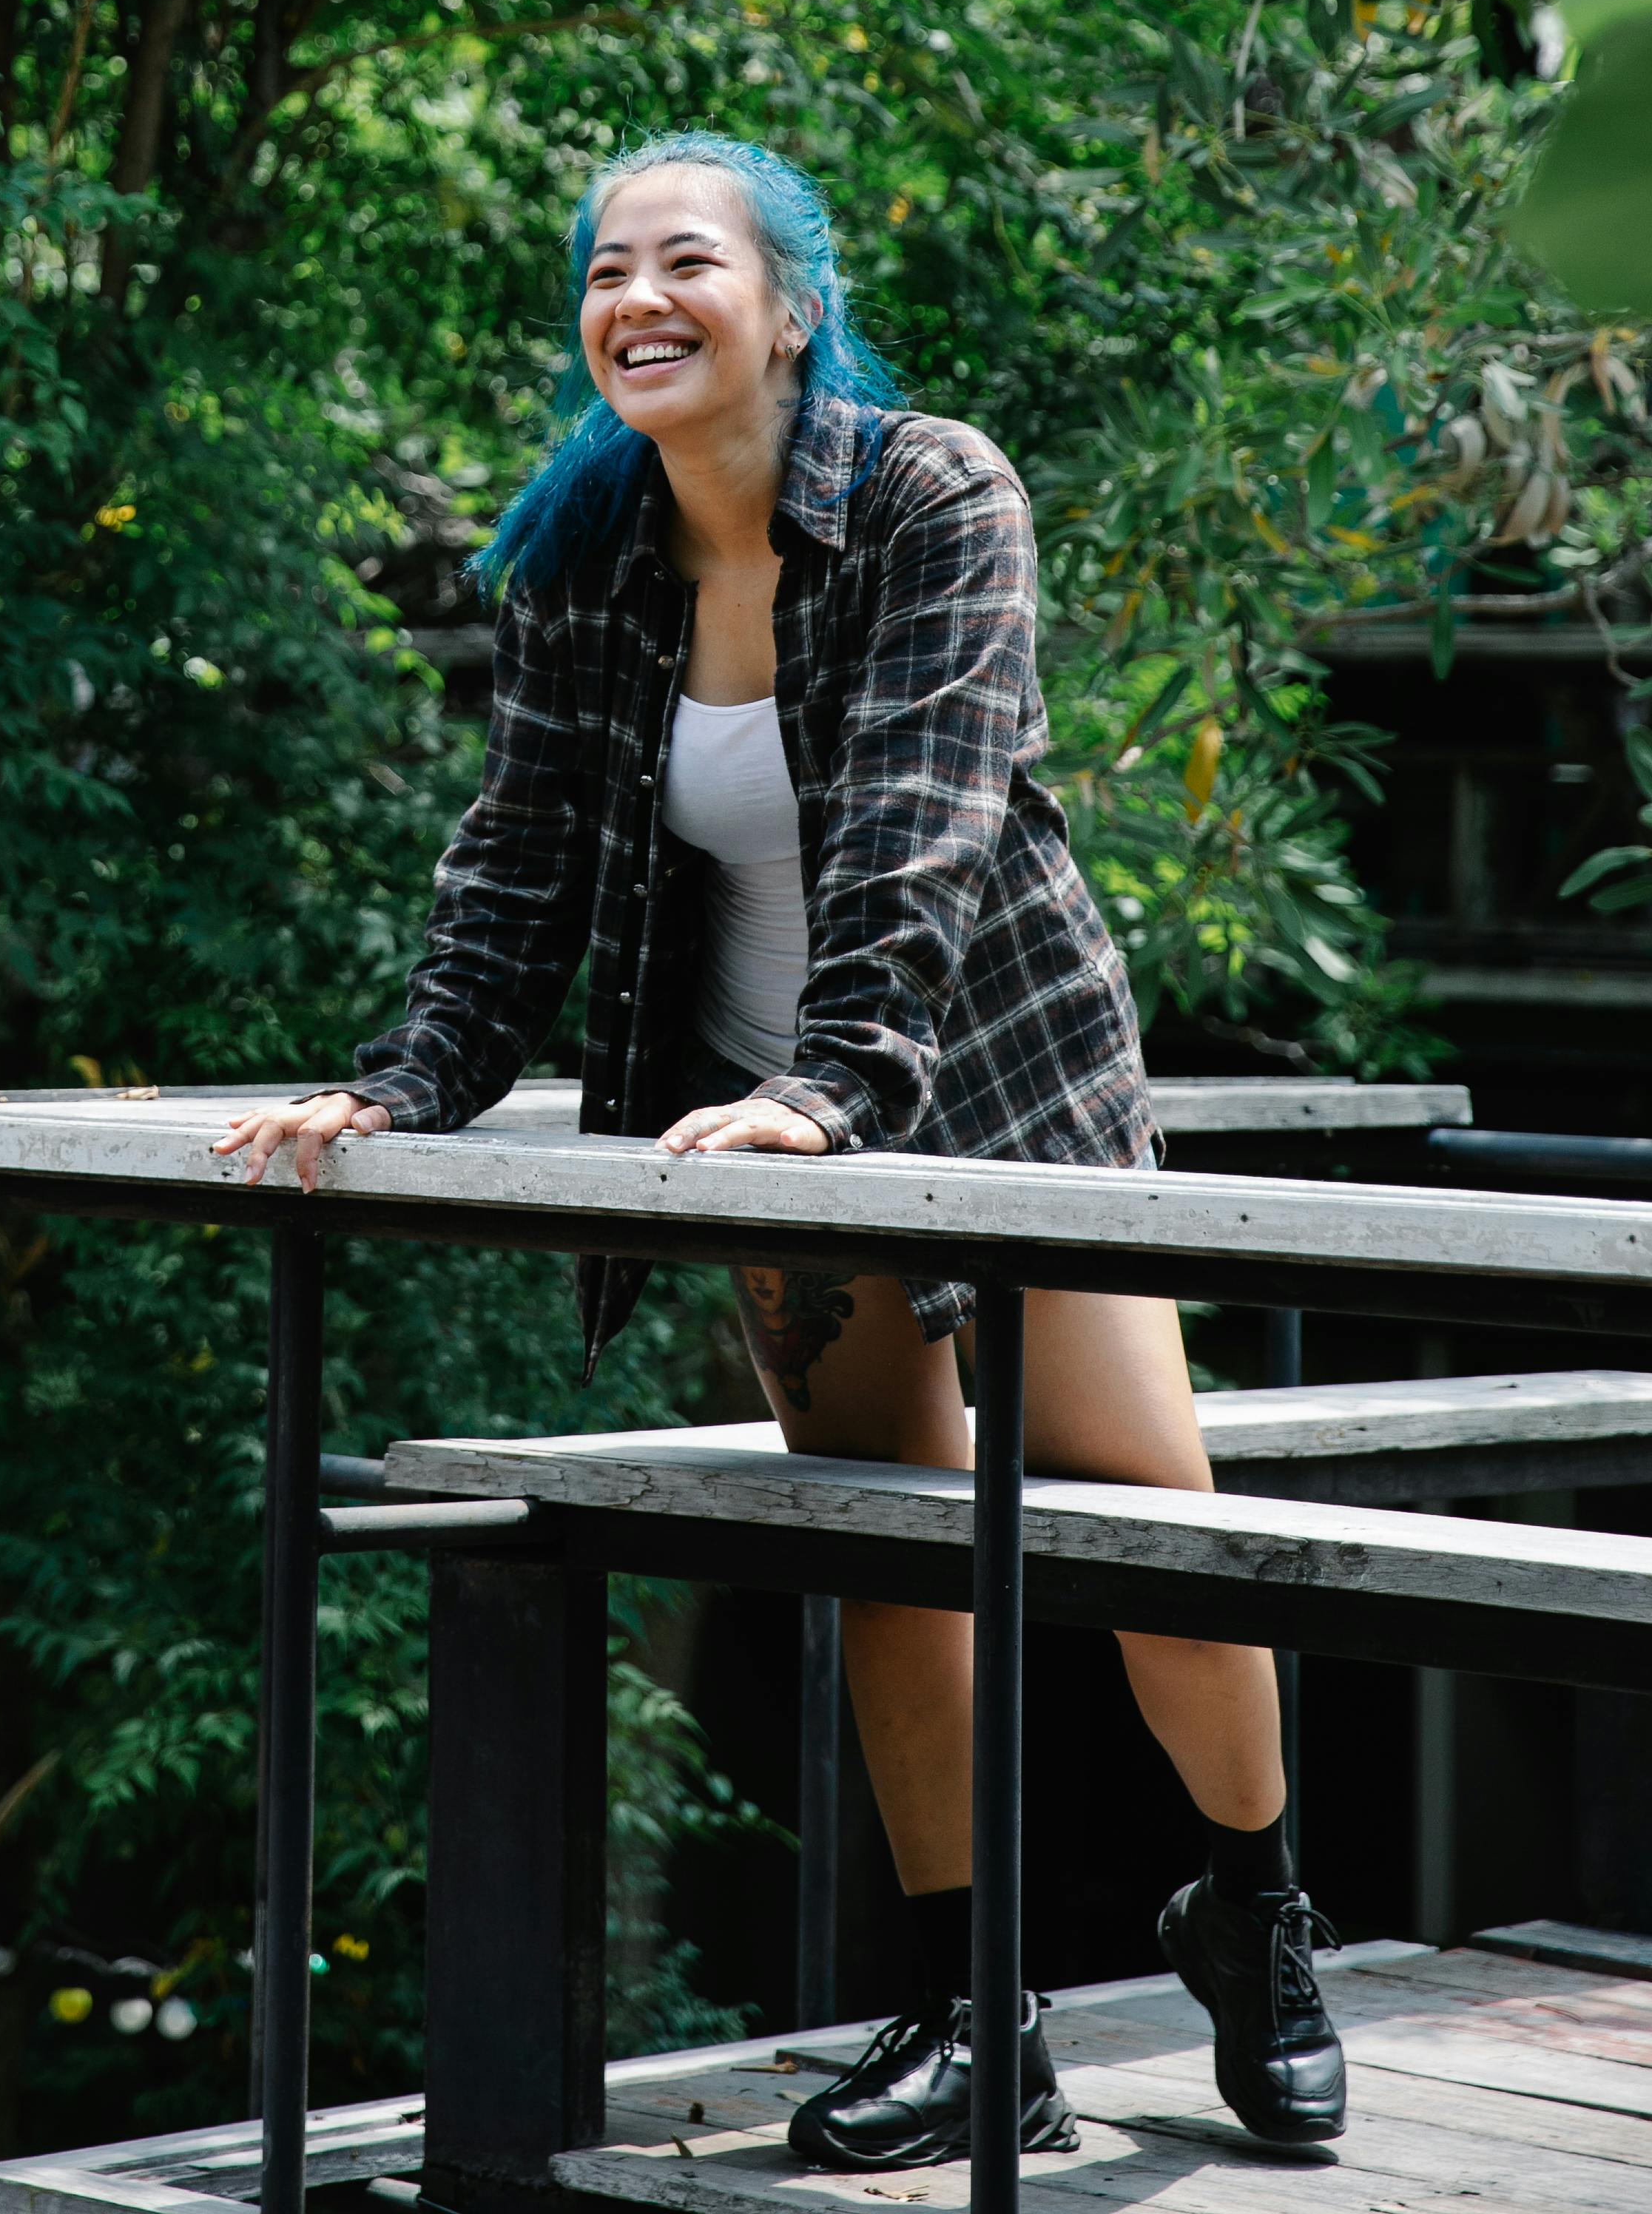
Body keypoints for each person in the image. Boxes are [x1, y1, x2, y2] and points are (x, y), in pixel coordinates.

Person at [217, 130, 1346, 2171]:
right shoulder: (584, 562)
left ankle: (1254, 1913)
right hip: (756, 1122)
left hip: (990, 1089)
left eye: (684, 262)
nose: (635, 298)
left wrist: (840, 1086)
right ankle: (971, 2011)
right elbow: (522, 863)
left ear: (788, 306)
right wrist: (401, 1086)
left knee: (1157, 1548)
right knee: (894, 1568)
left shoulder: (933, 493)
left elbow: (933, 810)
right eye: (603, 271)